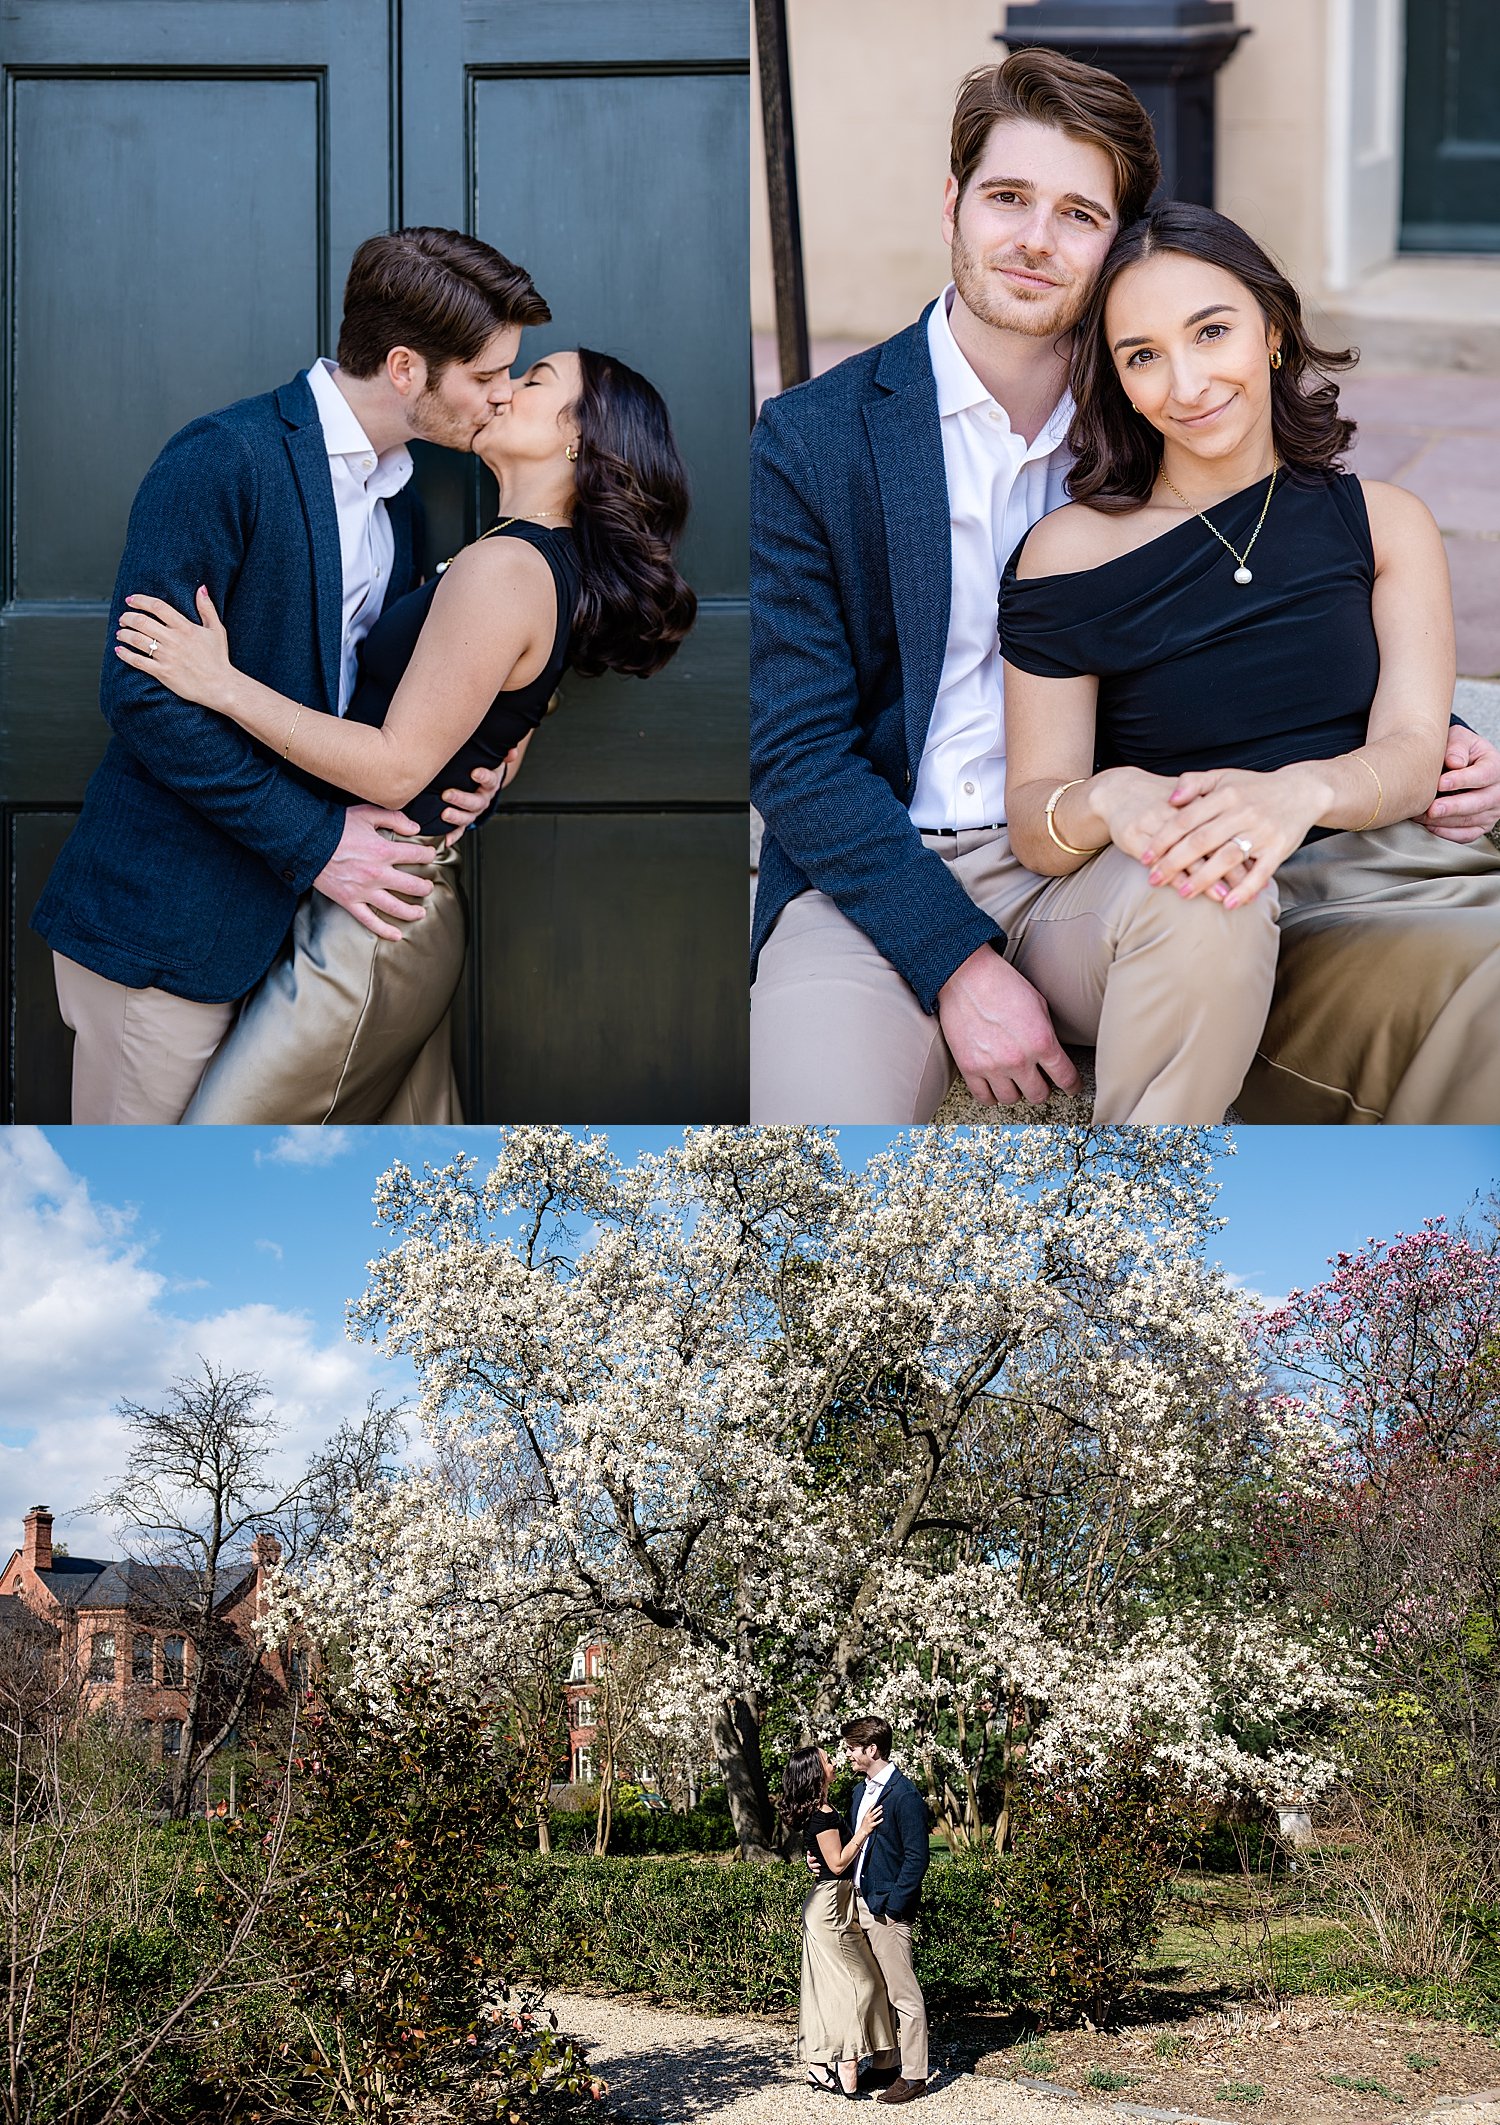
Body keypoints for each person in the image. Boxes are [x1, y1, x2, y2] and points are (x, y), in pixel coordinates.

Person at [749, 51, 1500, 1124]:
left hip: (1104, 866)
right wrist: (957, 962)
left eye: (1079, 214)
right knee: (809, 1153)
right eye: (1008, 198)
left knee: (1211, 903)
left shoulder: (1161, 425)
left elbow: (1284, 600)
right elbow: (795, 754)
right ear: (954, 202)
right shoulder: (815, 439)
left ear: (1119, 244)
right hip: (879, 870)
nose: (1035, 240)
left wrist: (1441, 745)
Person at [32, 227, 550, 1125]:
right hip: (167, 934)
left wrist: (489, 762)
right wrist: (317, 844)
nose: (502, 398)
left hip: (290, 945)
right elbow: (145, 698)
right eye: (486, 376)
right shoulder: (222, 459)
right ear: (404, 368)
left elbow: (374, 711)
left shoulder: (402, 504)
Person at [1000, 200, 1500, 1122]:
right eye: (1142, 354)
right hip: (1244, 911)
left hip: (1406, 866)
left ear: (1271, 331)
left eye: (1211, 331)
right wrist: (1114, 797)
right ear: (1117, 380)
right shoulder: (1070, 552)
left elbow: (1411, 746)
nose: (1185, 382)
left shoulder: (1386, 522)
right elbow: (1036, 818)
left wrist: (1301, 790)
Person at [111, 347, 695, 1123]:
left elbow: (391, 770)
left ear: (579, 439)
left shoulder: (507, 567)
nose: (502, 392)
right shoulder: (516, 558)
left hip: (378, 925)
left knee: (218, 1166)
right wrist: (503, 740)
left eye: (532, 383)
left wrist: (222, 685)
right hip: (379, 901)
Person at [777, 1742, 895, 2100]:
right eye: (827, 1760)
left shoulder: (823, 1809)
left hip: (833, 1902)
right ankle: (846, 2059)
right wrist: (863, 1830)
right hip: (830, 1909)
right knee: (862, 1984)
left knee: (831, 1989)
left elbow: (827, 1860)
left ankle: (819, 2065)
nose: (834, 1762)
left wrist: (821, 1860)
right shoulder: (822, 1815)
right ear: (816, 1772)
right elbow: (840, 1862)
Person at [841, 1715, 931, 2106]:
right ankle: (885, 2062)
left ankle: (914, 2076)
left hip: (886, 1911)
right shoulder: (860, 1793)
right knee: (873, 1989)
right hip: (858, 1903)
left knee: (903, 1994)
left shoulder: (904, 1796)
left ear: (871, 1750)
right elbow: (851, 1841)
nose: (846, 1755)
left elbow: (917, 1858)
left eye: (851, 1748)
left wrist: (893, 1907)